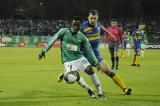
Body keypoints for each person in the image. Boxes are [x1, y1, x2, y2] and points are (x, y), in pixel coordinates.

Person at [38, 16, 106, 99]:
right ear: (72, 24)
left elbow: (89, 50)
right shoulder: (64, 31)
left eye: (78, 25)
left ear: (80, 26)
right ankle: (89, 88)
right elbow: (53, 39)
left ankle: (100, 93)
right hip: (68, 61)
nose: (76, 27)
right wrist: (43, 50)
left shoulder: (82, 37)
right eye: (75, 24)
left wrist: (96, 63)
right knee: (73, 78)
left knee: (90, 70)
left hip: (80, 58)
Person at [80, 10, 132, 95]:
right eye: (91, 18)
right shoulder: (83, 27)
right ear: (88, 18)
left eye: (95, 18)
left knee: (107, 70)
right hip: (85, 54)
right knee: (79, 72)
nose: (93, 20)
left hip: (96, 53)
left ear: (97, 18)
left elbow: (101, 27)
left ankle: (125, 88)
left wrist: (109, 33)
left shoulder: (98, 24)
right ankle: (67, 74)